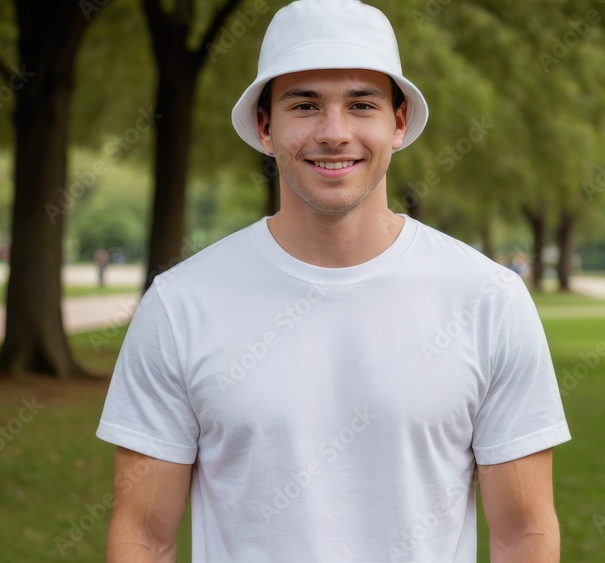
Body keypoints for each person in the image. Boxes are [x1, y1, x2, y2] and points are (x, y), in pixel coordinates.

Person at [97, 1, 571, 561]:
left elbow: (523, 534)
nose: (335, 132)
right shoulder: (180, 305)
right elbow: (144, 538)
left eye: (361, 104)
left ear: (397, 124)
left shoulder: (490, 300)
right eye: (305, 105)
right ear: (265, 126)